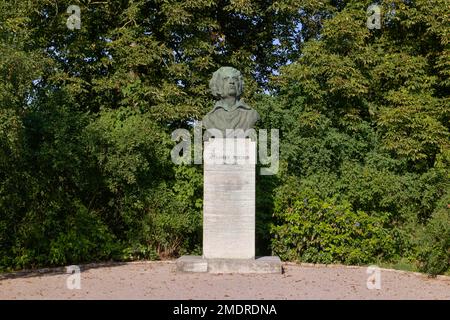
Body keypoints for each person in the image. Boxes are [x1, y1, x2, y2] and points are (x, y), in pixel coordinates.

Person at [202, 66, 260, 138]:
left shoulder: (251, 114)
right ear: (217, 85)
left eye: (235, 79)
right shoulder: (209, 118)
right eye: (226, 79)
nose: (231, 82)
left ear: (239, 84)